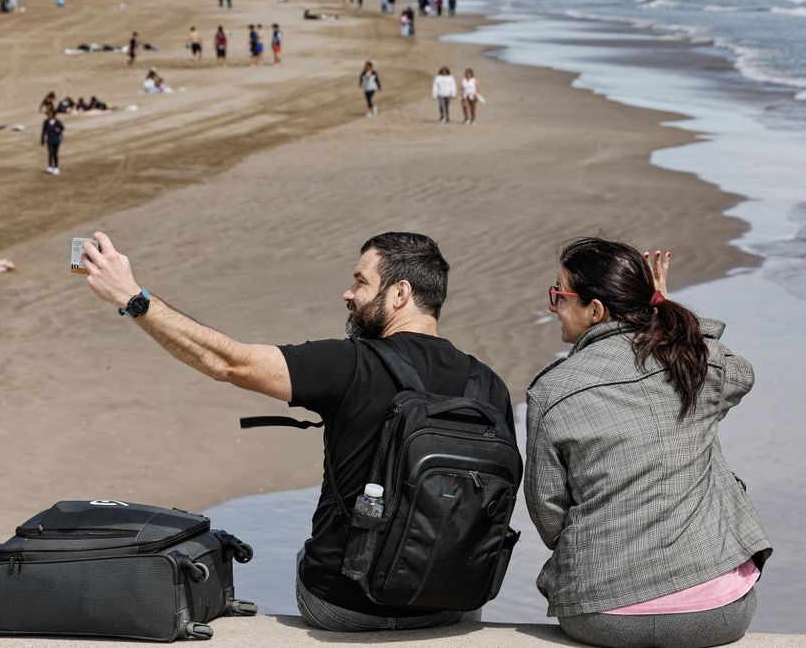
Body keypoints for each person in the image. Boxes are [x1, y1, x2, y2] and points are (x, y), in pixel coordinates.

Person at [79, 231, 512, 632]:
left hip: (344, 605)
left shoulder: (352, 363)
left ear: (400, 293)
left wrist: (133, 298)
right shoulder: (487, 383)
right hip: (451, 605)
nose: (348, 294)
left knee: (311, 558)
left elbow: (230, 362)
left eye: (361, 282)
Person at [526, 239, 772, 648]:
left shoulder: (552, 391)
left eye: (559, 294)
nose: (553, 305)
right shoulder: (692, 364)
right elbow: (740, 373)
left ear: (595, 311)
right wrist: (666, 312)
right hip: (715, 614)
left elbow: (547, 509)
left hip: (597, 615)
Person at [41, 110, 65, 175]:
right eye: (48, 115)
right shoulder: (46, 122)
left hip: (56, 140)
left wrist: (59, 130)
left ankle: (56, 167)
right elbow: (43, 131)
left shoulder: (57, 122)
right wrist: (42, 140)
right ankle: (50, 166)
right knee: (50, 153)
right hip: (49, 140)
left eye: (50, 114)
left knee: (55, 154)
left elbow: (62, 128)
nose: (48, 116)